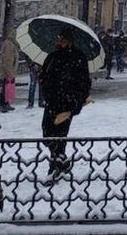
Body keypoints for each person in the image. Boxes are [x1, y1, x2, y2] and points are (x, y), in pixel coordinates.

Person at [38, 26, 91, 178]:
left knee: (60, 133)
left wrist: (78, 100)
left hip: (68, 102)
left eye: (63, 40)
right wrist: (43, 82)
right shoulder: (53, 56)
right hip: (52, 101)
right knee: (47, 131)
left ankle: (57, 161)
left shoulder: (78, 57)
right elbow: (45, 74)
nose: (60, 42)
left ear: (69, 41)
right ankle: (61, 161)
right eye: (59, 39)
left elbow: (84, 81)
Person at [0, 37, 19, 113]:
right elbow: (7, 59)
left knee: (7, 87)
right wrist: (10, 72)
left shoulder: (11, 43)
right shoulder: (9, 43)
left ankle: (6, 103)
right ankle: (3, 104)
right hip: (7, 70)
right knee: (5, 87)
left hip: (8, 69)